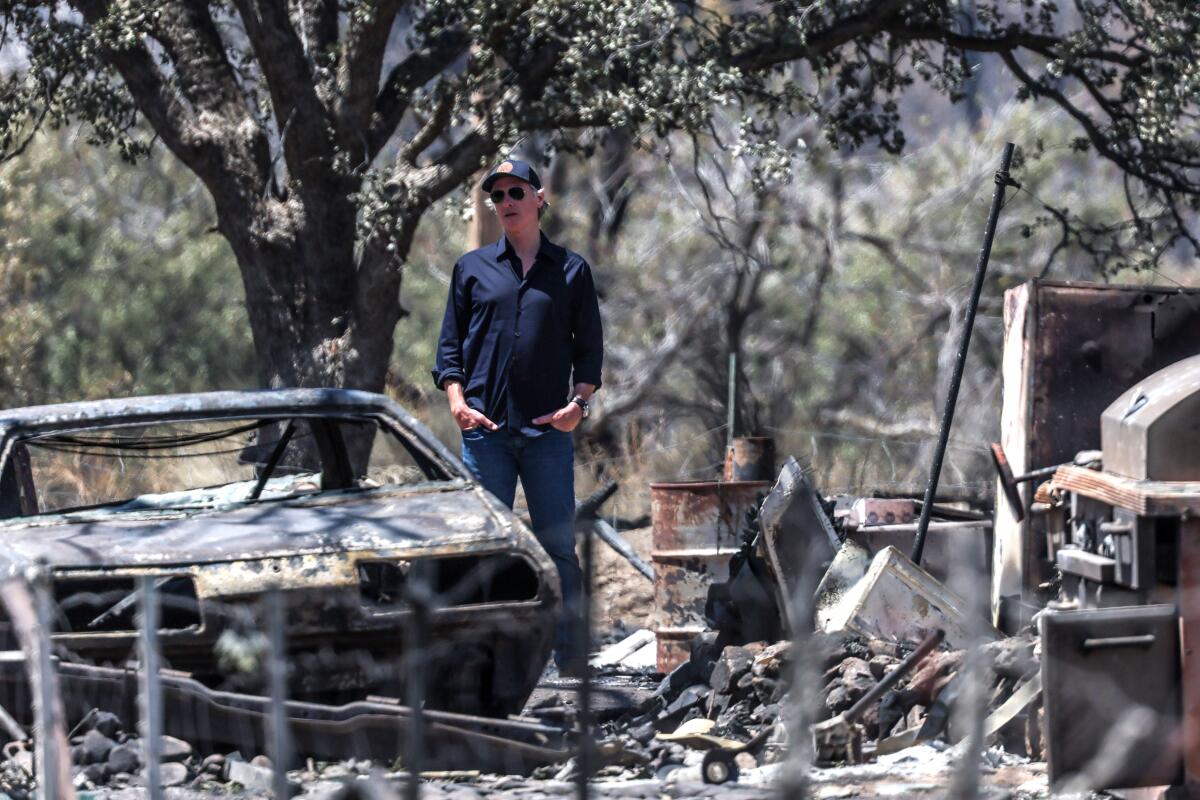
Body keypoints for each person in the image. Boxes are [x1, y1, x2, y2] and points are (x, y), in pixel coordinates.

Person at [432, 158, 603, 675]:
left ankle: (571, 660)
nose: (506, 202)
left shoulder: (571, 271)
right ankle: (480, 658)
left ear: (538, 197)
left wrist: (579, 406)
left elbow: (589, 350)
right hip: (485, 435)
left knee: (557, 547)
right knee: (484, 551)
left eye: (515, 192)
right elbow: (448, 351)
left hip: (547, 433)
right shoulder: (472, 269)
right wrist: (458, 403)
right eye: (498, 196)